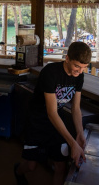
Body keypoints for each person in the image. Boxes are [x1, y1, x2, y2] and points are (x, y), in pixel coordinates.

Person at [14, 41, 91, 185]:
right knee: (31, 165)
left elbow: (76, 108)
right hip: (37, 121)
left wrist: (80, 133)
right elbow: (51, 112)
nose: (79, 71)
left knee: (61, 167)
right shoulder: (50, 72)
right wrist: (72, 143)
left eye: (83, 68)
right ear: (67, 58)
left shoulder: (79, 76)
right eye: (76, 66)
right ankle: (18, 171)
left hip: (57, 122)